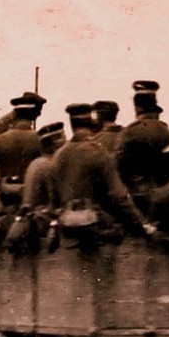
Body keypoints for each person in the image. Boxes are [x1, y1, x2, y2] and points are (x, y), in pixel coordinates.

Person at [53, 104, 150, 246]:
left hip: (66, 227)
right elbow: (119, 196)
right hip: (94, 229)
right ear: (92, 123)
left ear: (72, 125)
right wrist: (142, 224)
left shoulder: (59, 155)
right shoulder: (97, 152)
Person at [10, 122, 66, 253]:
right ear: (55, 141)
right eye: (63, 137)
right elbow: (54, 201)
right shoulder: (50, 165)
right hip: (42, 222)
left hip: (28, 219)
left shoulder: (35, 163)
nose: (66, 141)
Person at [115, 80, 169, 201]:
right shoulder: (167, 132)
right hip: (166, 193)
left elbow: (118, 166)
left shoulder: (129, 133)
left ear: (137, 107)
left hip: (140, 195)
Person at [0, 100, 42, 205]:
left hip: (6, 200)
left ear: (15, 114)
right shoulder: (41, 140)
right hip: (34, 201)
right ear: (33, 115)